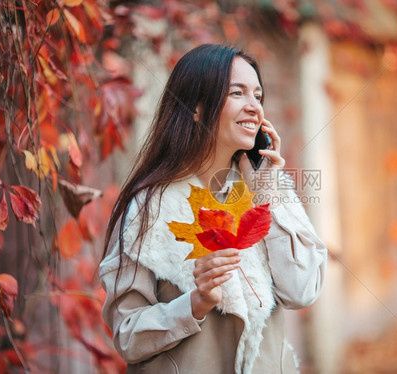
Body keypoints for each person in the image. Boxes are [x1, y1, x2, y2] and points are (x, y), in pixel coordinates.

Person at [99, 44, 327, 373]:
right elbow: (127, 336)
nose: (254, 108)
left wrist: (268, 195)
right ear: (196, 107)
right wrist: (195, 303)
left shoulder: (267, 189)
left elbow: (302, 291)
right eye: (238, 93)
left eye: (258, 96)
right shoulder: (148, 209)